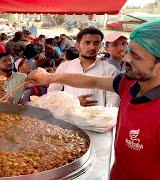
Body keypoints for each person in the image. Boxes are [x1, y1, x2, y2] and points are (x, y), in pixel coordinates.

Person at [27, 20, 160, 179]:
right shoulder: (128, 83)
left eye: (136, 56)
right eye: (129, 51)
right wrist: (49, 77)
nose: (126, 59)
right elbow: (91, 80)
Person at [48, 28, 119, 107]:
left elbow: (113, 103)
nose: (92, 47)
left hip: (97, 118)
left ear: (100, 45)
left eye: (96, 43)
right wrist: (74, 102)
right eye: (87, 43)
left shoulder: (109, 70)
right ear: (77, 45)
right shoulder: (65, 67)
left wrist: (106, 118)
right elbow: (52, 94)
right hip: (68, 117)